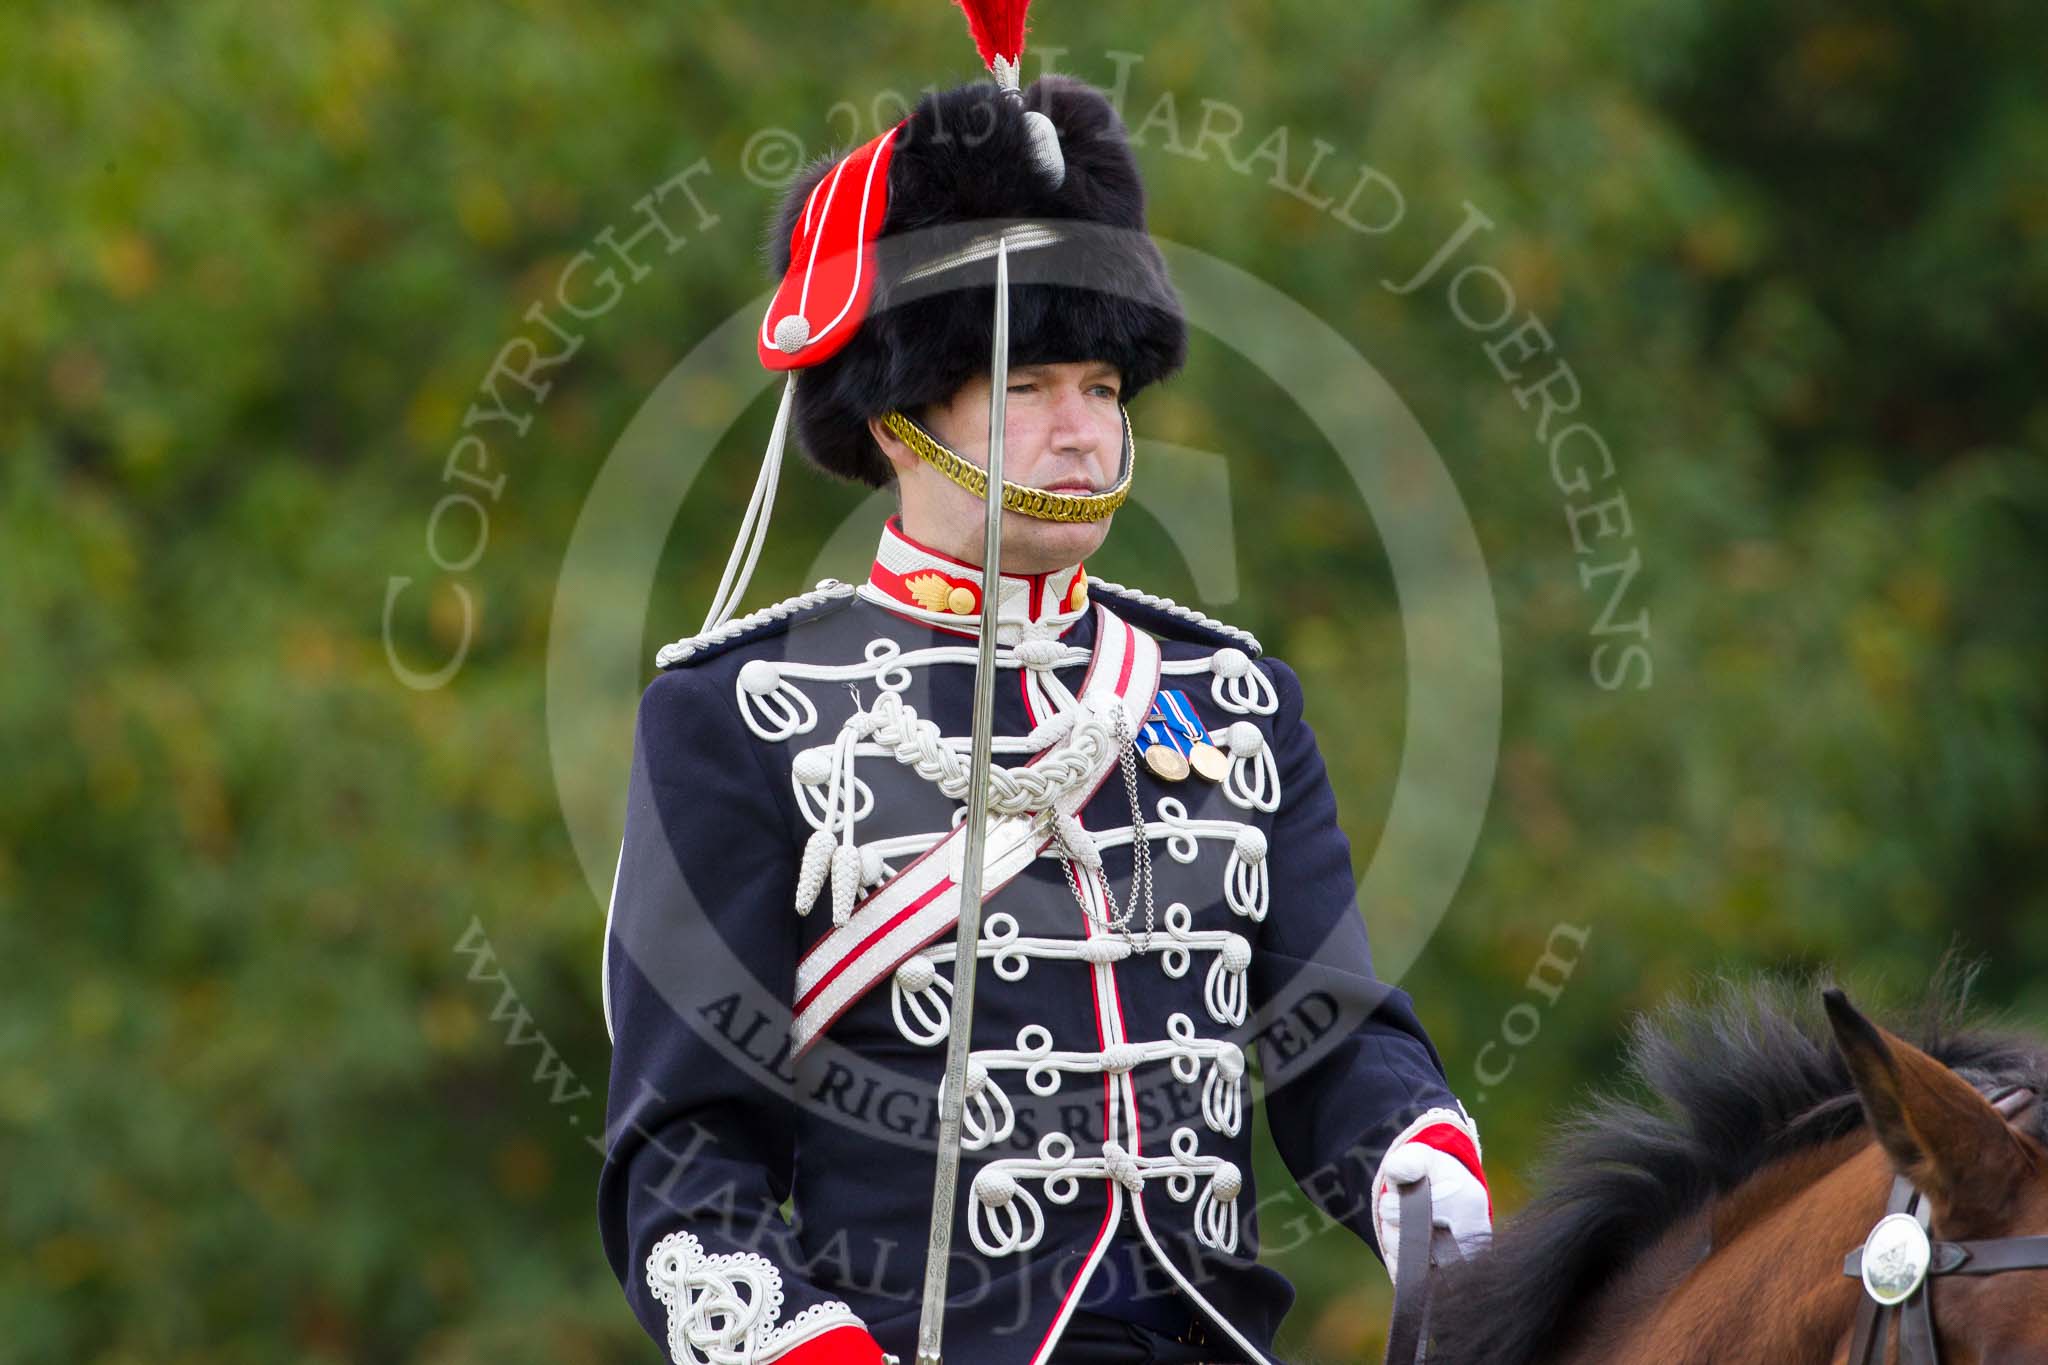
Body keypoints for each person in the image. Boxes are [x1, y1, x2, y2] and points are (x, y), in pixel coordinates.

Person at [598, 12, 1490, 1364]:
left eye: (1100, 383)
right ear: (901, 418)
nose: (1083, 432)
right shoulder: (736, 717)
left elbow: (1334, 1037)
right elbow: (684, 1164)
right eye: (1026, 385)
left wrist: (1421, 1167)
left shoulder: (1231, 698)